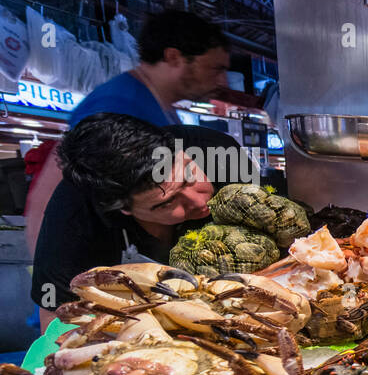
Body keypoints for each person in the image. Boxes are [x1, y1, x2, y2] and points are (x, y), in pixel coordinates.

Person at [24, 9, 229, 259]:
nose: (223, 81)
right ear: (174, 58)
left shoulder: (160, 109)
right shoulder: (118, 106)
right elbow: (54, 200)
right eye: (215, 69)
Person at [30, 113, 243, 317]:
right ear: (124, 209)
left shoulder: (219, 154)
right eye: (167, 202)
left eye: (189, 174)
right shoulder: (74, 218)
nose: (200, 200)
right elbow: (58, 312)